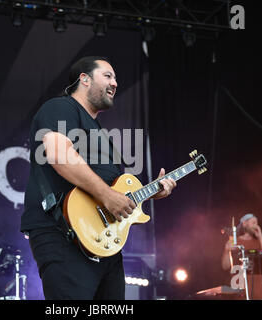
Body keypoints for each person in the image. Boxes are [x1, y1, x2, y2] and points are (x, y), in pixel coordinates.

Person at [21, 56, 177, 300]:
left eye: (115, 78)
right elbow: (59, 155)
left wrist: (150, 192)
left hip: (103, 243)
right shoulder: (61, 107)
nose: (115, 83)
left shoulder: (102, 135)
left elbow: (117, 192)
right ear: (84, 79)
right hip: (64, 234)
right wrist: (107, 195)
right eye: (107, 76)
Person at [221, 213, 262, 299]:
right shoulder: (235, 241)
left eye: (257, 223)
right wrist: (226, 250)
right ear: (244, 224)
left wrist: (260, 236)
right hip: (240, 285)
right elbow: (225, 266)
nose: (256, 226)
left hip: (258, 287)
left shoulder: (258, 242)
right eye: (253, 223)